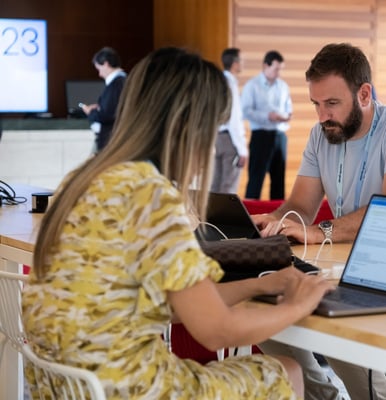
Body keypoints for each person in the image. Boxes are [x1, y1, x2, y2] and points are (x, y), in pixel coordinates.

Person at [21, 47, 333, 400]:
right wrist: (299, 305)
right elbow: (216, 331)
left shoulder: (81, 179)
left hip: (59, 385)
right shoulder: (150, 195)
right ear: (190, 127)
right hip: (124, 388)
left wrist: (262, 284)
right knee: (285, 370)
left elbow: (176, 303)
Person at [253, 42, 386, 400]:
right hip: (357, 264)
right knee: (264, 299)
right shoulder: (323, 134)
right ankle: (320, 394)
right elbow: (300, 206)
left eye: (331, 103)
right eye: (316, 105)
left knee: (334, 316)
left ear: (364, 94)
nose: (322, 116)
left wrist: (320, 232)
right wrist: (271, 222)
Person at [241, 50, 292, 200]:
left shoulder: (283, 86)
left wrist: (286, 117)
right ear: (265, 66)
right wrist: (267, 116)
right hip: (260, 135)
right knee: (256, 179)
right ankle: (249, 216)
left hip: (279, 136)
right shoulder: (252, 85)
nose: (278, 73)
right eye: (276, 69)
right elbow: (245, 111)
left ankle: (277, 218)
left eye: (280, 70)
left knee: (279, 181)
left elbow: (289, 109)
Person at [211, 47, 248, 194]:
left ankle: (211, 217)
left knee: (214, 186)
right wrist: (242, 149)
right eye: (242, 61)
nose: (243, 64)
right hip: (229, 139)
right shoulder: (230, 84)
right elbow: (234, 118)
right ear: (235, 63)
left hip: (215, 137)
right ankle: (224, 218)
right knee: (228, 187)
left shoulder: (216, 81)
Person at [80, 46, 127, 153]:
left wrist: (91, 112)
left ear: (106, 64)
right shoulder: (124, 82)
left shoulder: (116, 84)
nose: (99, 74)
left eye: (99, 69)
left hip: (110, 141)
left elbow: (108, 115)